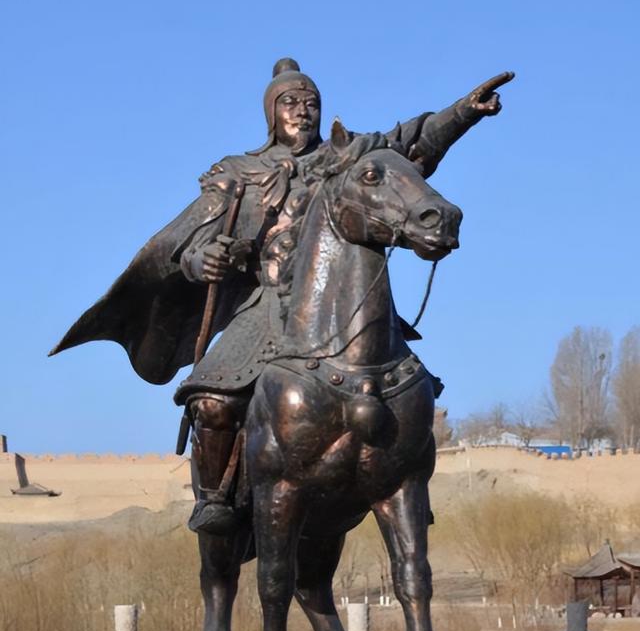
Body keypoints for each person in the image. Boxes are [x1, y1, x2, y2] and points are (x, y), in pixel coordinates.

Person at [51, 58, 513, 533]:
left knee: (413, 388)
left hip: (342, 309)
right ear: (271, 112)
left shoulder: (348, 157)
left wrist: (463, 112)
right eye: (291, 102)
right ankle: (214, 499)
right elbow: (187, 245)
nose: (303, 110)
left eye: (311, 102)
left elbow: (410, 142)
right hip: (266, 307)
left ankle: (405, 479)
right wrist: (203, 260)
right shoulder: (238, 173)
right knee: (211, 399)